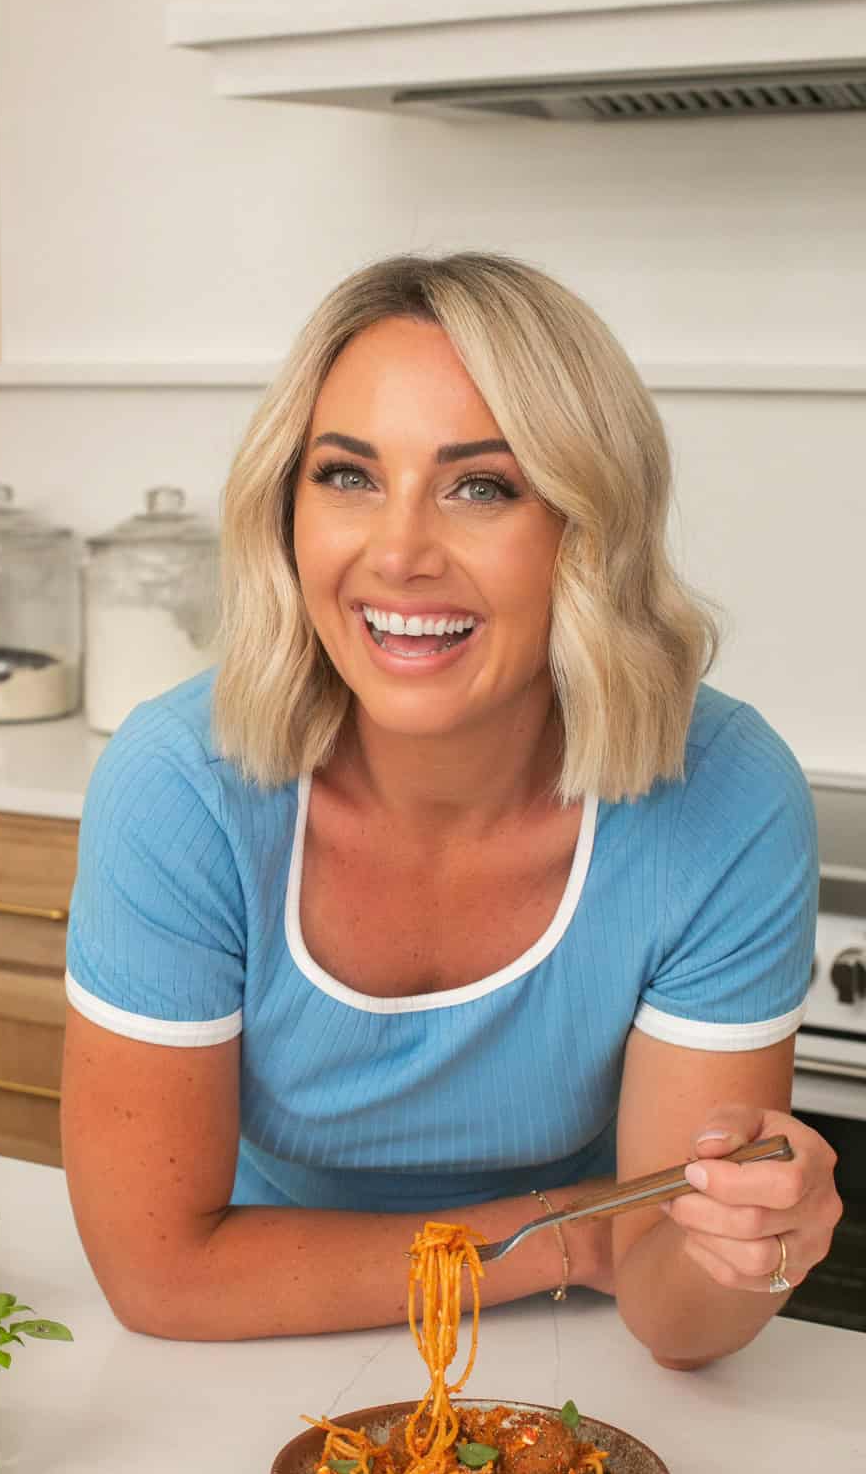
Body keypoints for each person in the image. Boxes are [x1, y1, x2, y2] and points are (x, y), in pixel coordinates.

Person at [59, 251, 841, 1366]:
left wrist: (751, 1246)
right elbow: (160, 1273)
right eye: (348, 476)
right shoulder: (182, 785)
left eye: (482, 486)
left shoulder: (722, 794)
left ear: (588, 526)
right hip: (248, 1344)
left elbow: (673, 1319)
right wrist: (578, 1237)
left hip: (570, 1362)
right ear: (285, 509)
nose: (399, 552)